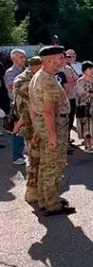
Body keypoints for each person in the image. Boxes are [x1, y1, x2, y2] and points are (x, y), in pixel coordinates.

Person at [29, 45, 75, 216]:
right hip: (54, 126)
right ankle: (52, 204)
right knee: (54, 165)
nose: (64, 60)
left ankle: (46, 198)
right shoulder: (47, 80)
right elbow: (48, 110)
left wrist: (38, 128)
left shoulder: (39, 76)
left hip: (45, 125)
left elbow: (33, 106)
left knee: (46, 164)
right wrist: (53, 135)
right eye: (60, 58)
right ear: (49, 60)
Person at [11, 56, 42, 203]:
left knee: (38, 158)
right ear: (35, 67)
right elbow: (28, 109)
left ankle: (37, 190)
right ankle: (32, 192)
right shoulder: (25, 81)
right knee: (34, 158)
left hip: (33, 123)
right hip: (31, 125)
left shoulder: (30, 78)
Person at [5, 49, 27, 164]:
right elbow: (12, 88)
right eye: (21, 57)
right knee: (17, 129)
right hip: (17, 105)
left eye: (24, 57)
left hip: (28, 104)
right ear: (14, 59)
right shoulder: (10, 72)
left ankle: (26, 152)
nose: (24, 59)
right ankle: (17, 156)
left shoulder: (27, 70)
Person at [61, 52, 79, 148]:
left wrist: (69, 83)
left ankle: (67, 139)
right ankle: (63, 142)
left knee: (71, 119)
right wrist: (69, 84)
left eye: (66, 58)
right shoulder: (56, 70)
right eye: (63, 58)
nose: (65, 59)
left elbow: (77, 79)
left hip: (71, 97)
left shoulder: (68, 69)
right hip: (62, 100)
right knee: (62, 121)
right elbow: (62, 85)